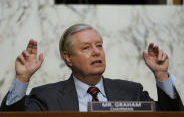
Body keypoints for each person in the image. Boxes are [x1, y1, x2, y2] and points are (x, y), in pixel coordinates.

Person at [1, 24, 183, 111]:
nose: (97, 52)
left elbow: (171, 116)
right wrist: (22, 79)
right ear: (68, 58)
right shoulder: (46, 98)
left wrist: (161, 76)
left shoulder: (131, 92)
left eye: (100, 45)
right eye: (86, 48)